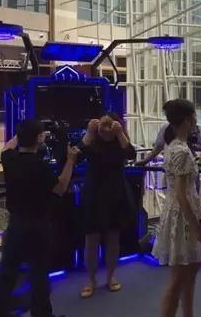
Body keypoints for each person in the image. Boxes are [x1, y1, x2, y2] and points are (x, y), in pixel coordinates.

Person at [0, 119, 78, 317]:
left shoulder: (9, 159)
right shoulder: (41, 167)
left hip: (16, 224)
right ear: (39, 138)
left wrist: (23, 132)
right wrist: (71, 161)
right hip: (39, 226)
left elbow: (8, 147)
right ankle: (42, 314)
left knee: (7, 272)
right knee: (39, 274)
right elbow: (60, 188)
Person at [153, 99, 201, 317]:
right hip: (183, 216)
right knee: (178, 278)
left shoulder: (173, 146)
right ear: (188, 119)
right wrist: (196, 226)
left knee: (188, 273)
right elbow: (182, 194)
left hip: (176, 212)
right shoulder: (182, 151)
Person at [78, 112, 137, 298]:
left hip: (116, 193)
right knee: (91, 238)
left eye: (110, 125)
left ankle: (110, 276)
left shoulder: (120, 141)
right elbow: (76, 155)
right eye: (103, 125)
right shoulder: (92, 141)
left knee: (113, 237)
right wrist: (89, 133)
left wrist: (120, 134)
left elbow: (131, 154)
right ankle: (91, 279)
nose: (106, 129)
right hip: (94, 193)